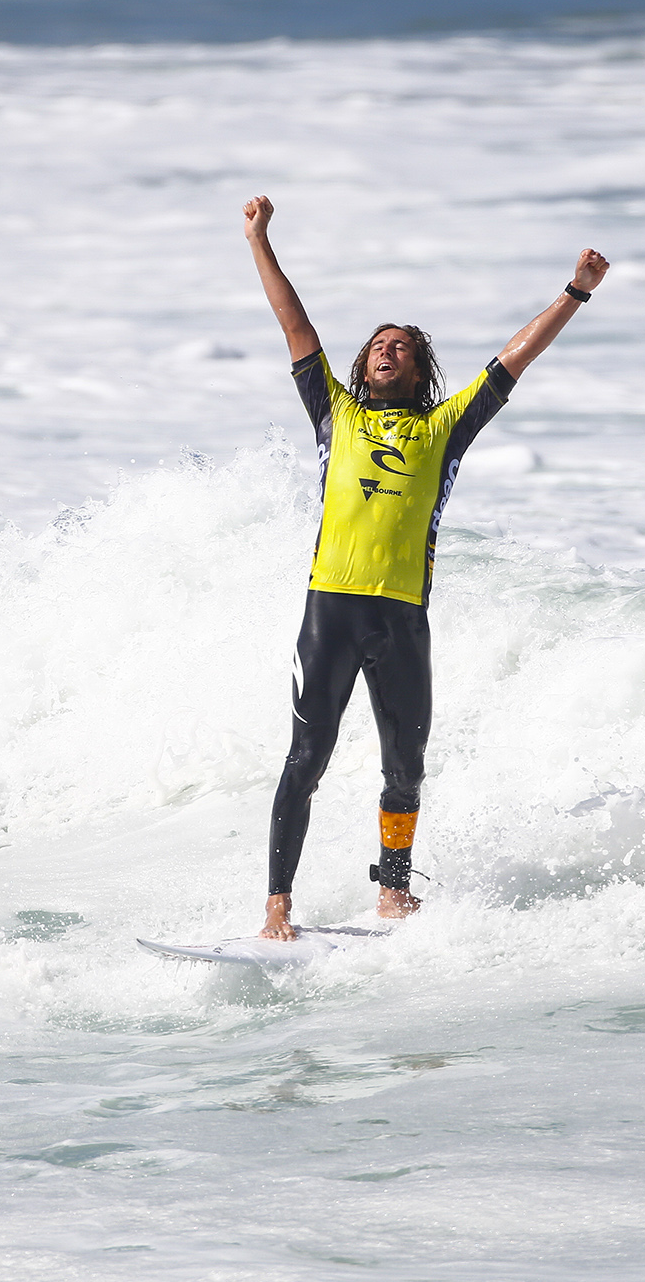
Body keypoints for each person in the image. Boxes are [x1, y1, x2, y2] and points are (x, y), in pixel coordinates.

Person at [243, 194, 609, 940]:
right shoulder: (333, 412)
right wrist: (259, 239)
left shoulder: (445, 428)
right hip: (331, 612)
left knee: (404, 766)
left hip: (403, 619)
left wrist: (574, 292)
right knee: (306, 757)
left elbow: (514, 359)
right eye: (378, 344)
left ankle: (392, 893)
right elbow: (294, 324)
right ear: (361, 364)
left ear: (417, 373)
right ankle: (278, 904)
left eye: (402, 347)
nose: (387, 350)